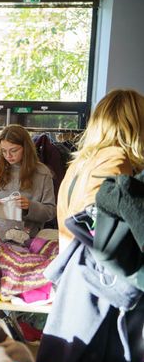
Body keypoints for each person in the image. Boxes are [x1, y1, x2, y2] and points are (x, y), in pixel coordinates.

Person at [57, 88, 144, 250]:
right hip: (98, 271)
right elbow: (102, 223)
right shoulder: (114, 159)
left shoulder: (79, 164)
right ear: (137, 126)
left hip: (74, 269)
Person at [0, 124, 56, 239]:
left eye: (13, 150)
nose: (8, 156)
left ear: (26, 148)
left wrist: (30, 206)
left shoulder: (42, 173)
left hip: (28, 239)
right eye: (4, 151)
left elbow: (51, 211)